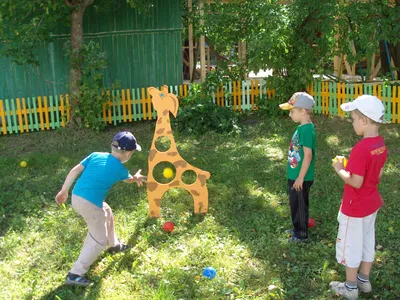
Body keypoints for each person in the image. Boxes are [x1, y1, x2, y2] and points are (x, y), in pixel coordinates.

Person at [55, 131, 147, 287]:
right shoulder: (119, 168)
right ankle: (75, 274)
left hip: (76, 197)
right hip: (89, 204)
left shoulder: (95, 155)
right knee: (98, 240)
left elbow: (75, 170)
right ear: (128, 153)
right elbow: (129, 179)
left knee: (106, 210)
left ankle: (114, 245)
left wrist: (64, 190)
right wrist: (136, 177)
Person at [330, 95, 387, 300]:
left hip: (355, 207)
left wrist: (339, 169)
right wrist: (352, 167)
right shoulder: (380, 144)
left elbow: (355, 182)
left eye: (353, 118)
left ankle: (350, 287)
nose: (352, 123)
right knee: (366, 241)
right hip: (371, 204)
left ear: (364, 120)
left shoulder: (361, 148)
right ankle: (364, 280)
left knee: (351, 244)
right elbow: (376, 175)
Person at [279, 92, 316, 242]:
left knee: (299, 204)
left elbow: (308, 155)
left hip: (301, 177)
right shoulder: (302, 127)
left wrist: (300, 177)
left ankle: (301, 234)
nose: (290, 115)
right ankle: (297, 226)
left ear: (303, 111)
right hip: (295, 176)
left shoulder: (307, 129)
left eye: (292, 111)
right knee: (295, 203)